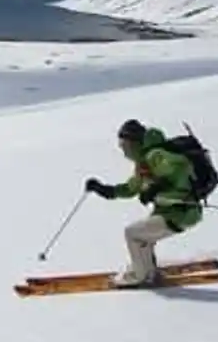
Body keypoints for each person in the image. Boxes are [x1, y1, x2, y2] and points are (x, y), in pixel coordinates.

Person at [84, 119, 203, 287]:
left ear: (135, 142)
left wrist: (157, 187)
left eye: (125, 144)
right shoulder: (144, 163)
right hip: (173, 213)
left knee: (133, 234)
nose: (123, 149)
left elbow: (181, 167)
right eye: (121, 145)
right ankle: (147, 270)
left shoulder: (155, 155)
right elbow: (131, 188)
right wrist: (104, 189)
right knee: (143, 236)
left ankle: (139, 276)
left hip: (181, 211)